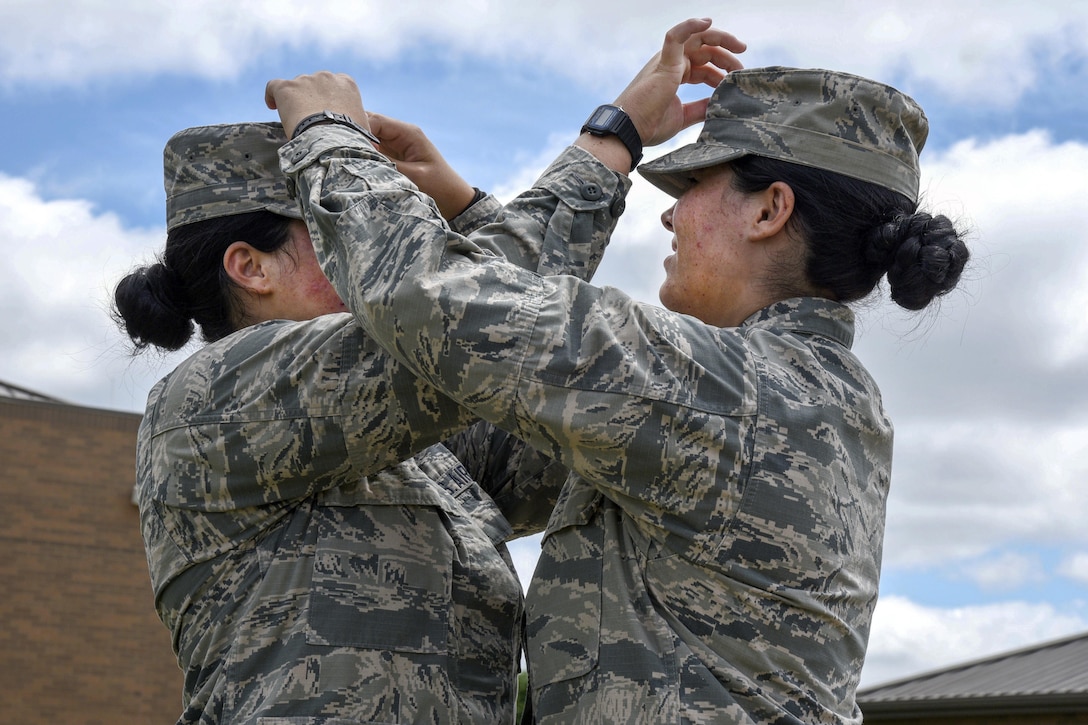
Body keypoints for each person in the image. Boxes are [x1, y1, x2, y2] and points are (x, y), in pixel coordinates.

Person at [264, 17, 970, 725]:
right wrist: (475, 214)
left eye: (694, 183)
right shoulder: (810, 393)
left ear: (769, 209)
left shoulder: (715, 387)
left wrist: (328, 134)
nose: (672, 216)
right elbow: (486, 391)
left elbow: (427, 299)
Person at [112, 114, 635, 724]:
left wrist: (464, 211)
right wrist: (608, 143)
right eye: (333, 233)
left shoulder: (415, 448)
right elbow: (469, 323)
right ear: (250, 268)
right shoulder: (212, 401)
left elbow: (568, 403)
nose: (362, 251)